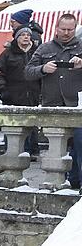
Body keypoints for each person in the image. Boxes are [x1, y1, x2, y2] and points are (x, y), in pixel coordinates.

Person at [25, 13, 82, 187]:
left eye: (70, 30)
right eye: (63, 29)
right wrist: (43, 68)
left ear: (75, 29)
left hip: (77, 106)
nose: (66, 33)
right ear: (56, 28)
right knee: (57, 148)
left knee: (79, 145)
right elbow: (27, 72)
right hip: (53, 105)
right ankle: (59, 182)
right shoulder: (44, 48)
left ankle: (76, 181)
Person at [0, 27, 39, 155]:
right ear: (16, 37)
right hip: (13, 94)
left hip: (33, 93)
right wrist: (3, 90)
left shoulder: (37, 52)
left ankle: (32, 151)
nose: (25, 37)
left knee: (32, 123)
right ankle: (12, 151)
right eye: (22, 35)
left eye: (28, 35)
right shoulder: (8, 53)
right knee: (12, 125)